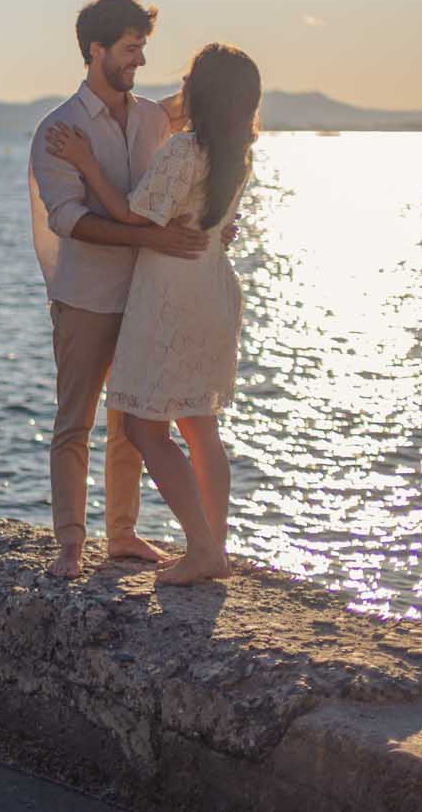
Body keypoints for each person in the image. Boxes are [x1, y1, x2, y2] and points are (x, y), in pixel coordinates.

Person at [43, 42, 261, 586]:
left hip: (171, 294)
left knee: (144, 426)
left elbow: (129, 216)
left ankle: (203, 549)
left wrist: (85, 161)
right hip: (213, 287)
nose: (182, 86)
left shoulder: (185, 150)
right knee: (201, 425)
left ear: (202, 91)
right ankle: (214, 548)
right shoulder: (237, 152)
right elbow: (207, 219)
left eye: (189, 79)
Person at [28, 0, 209, 580]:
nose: (140, 60)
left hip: (146, 294)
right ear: (96, 50)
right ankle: (70, 543)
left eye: (142, 48)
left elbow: (174, 185)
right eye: (131, 49)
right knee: (74, 423)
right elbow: (69, 219)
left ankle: (123, 535)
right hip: (84, 297)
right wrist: (149, 239)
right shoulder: (59, 129)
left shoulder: (154, 119)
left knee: (132, 422)